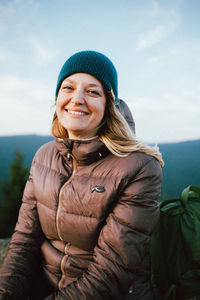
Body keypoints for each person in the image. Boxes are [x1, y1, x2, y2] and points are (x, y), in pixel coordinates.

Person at [0, 50, 163, 300]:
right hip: (45, 287)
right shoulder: (44, 156)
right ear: (57, 97)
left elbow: (110, 274)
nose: (77, 99)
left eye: (93, 91)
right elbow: (24, 241)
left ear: (109, 105)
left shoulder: (140, 168)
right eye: (68, 87)